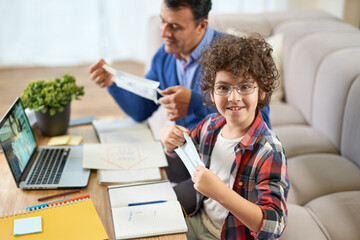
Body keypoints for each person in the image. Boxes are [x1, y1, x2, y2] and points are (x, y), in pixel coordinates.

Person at [89, 0, 271, 213]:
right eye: (162, 22)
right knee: (125, 178)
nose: (164, 32)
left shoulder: (233, 55)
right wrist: (112, 83)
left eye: (175, 26)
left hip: (225, 167)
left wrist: (196, 102)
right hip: (188, 154)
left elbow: (261, 124)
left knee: (154, 208)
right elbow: (142, 110)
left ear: (202, 26)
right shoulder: (165, 57)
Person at [160, 35, 289, 240]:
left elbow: (274, 224)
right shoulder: (210, 126)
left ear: (262, 91)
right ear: (211, 93)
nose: (234, 97)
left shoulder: (269, 150)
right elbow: (179, 159)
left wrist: (220, 192)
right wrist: (169, 138)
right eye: (223, 87)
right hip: (199, 220)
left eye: (245, 87)